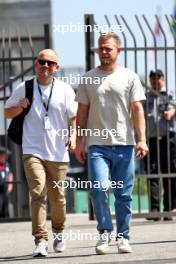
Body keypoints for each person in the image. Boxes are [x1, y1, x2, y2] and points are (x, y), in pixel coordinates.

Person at [75, 32, 148, 254]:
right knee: (98, 188)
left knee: (124, 194)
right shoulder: (88, 78)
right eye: (101, 48)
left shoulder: (130, 77)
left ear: (118, 50)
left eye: (108, 48)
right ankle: (105, 232)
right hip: (97, 144)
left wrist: (142, 139)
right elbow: (82, 112)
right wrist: (79, 141)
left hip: (125, 144)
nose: (104, 52)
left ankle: (124, 236)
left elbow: (137, 109)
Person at [5, 49, 77, 257]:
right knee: (37, 192)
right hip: (32, 149)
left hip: (57, 153)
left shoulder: (64, 90)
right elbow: (7, 112)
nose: (45, 66)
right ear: (36, 64)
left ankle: (59, 231)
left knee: (58, 198)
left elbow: (75, 117)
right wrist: (19, 108)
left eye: (50, 63)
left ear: (57, 68)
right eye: (42, 62)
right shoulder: (24, 88)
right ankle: (40, 240)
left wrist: (73, 136)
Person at [144, 69, 176, 221]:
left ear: (163, 79)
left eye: (157, 79)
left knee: (169, 174)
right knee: (153, 175)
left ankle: (168, 209)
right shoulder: (145, 96)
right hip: (151, 140)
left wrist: (171, 112)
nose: (155, 82)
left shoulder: (169, 94)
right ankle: (155, 210)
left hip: (167, 139)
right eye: (152, 79)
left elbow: (173, 107)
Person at [0, 146, 13, 217]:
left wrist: (10, 185)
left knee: (5, 205)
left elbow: (10, 174)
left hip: (5, 188)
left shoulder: (6, 164)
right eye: (3, 155)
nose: (5, 157)